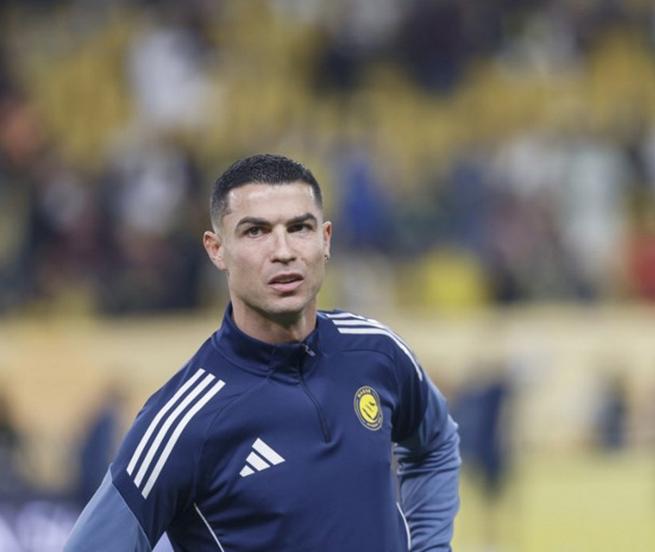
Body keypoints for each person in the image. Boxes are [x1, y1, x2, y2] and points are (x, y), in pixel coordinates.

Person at [65, 154, 461, 551]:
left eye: (299, 228)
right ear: (216, 249)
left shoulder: (376, 351)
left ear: (325, 239)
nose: (283, 250)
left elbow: (436, 445)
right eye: (256, 232)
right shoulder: (185, 421)